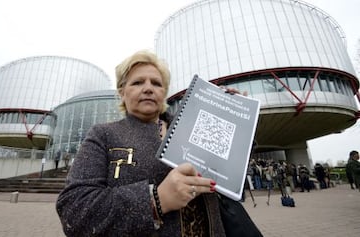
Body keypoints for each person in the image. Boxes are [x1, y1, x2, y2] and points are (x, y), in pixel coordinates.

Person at [56, 50, 248, 236]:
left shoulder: (195, 128)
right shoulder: (104, 135)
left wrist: (233, 121)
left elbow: (230, 174)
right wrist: (155, 200)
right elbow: (74, 209)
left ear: (163, 93)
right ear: (122, 93)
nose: (148, 88)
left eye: (156, 83)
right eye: (138, 82)